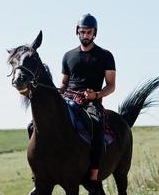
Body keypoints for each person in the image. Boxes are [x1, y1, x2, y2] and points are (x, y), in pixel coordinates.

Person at [60, 13, 116, 194]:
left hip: (92, 102)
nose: (85, 35)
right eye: (82, 32)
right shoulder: (68, 55)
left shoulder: (105, 56)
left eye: (88, 32)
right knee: (38, 124)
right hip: (69, 99)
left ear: (95, 33)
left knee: (97, 125)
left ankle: (93, 176)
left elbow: (111, 85)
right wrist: (56, 94)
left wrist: (97, 95)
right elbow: (64, 83)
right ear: (77, 32)